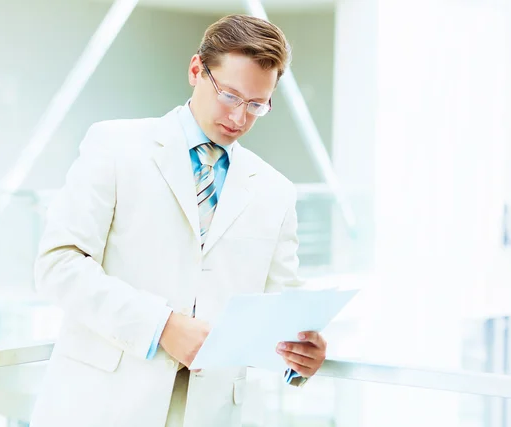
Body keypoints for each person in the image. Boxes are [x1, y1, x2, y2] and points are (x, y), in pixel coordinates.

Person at [30, 14, 326, 427]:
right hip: (101, 406)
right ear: (195, 71)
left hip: (212, 413)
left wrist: (300, 356)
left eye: (257, 105)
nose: (239, 119)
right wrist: (162, 325)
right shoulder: (114, 146)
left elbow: (278, 309)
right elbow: (58, 265)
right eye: (230, 96)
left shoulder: (276, 192)